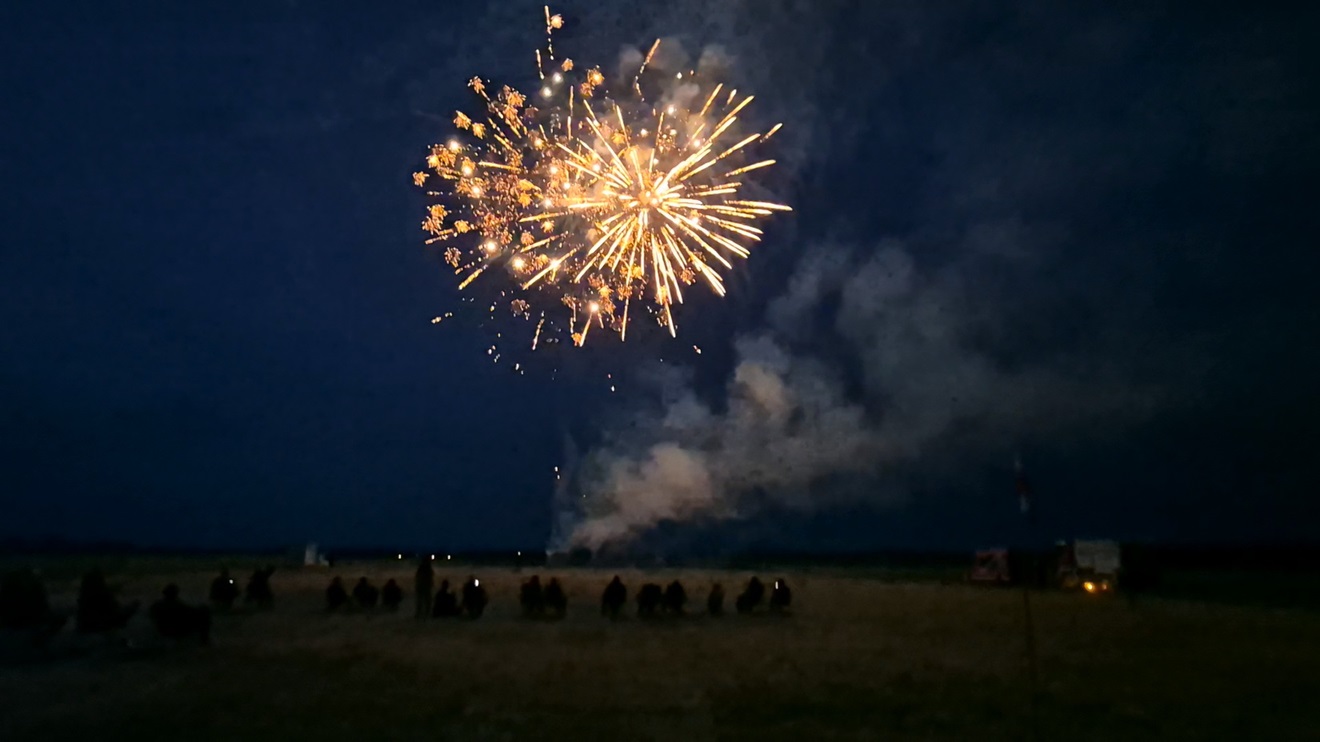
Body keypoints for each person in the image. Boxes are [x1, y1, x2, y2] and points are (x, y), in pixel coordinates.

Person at [76, 569, 138, 634]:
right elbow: (116, 617)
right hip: (103, 630)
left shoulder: (85, 600)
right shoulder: (103, 597)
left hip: (86, 631)